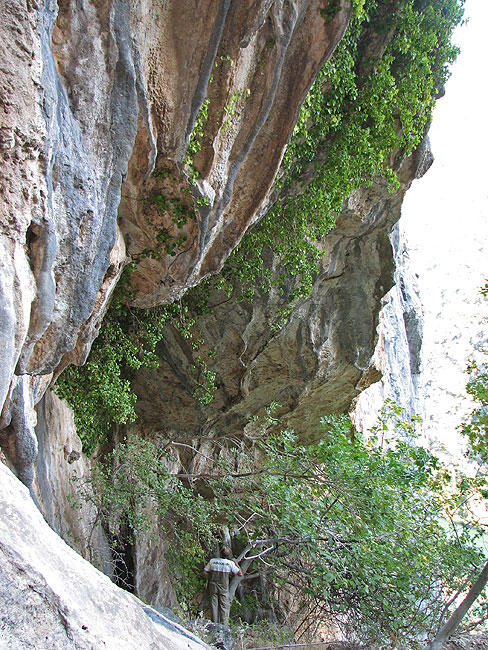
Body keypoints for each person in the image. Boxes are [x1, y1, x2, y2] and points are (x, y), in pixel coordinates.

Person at [204, 546, 242, 626]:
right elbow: (240, 574)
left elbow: (205, 572)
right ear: (228, 555)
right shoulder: (230, 563)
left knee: (214, 604)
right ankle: (224, 626)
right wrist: (236, 563)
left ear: (220, 553)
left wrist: (211, 575)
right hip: (224, 587)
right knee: (224, 606)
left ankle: (214, 624)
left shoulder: (213, 561)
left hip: (213, 585)